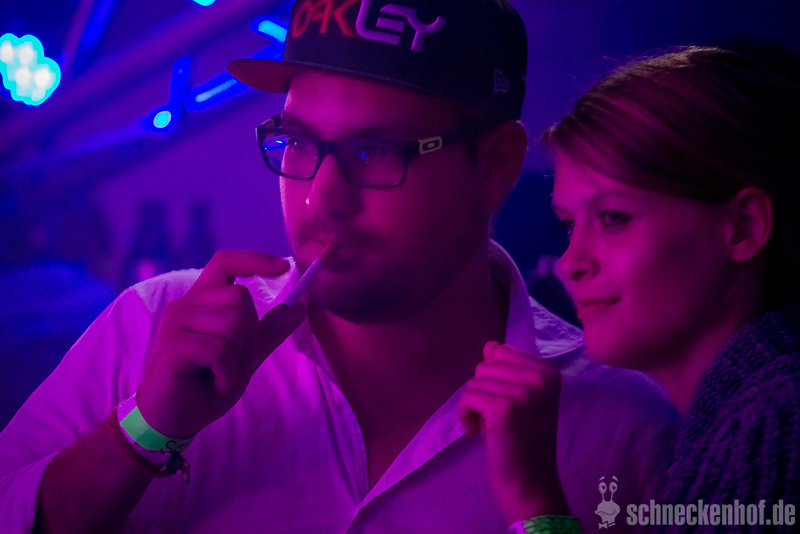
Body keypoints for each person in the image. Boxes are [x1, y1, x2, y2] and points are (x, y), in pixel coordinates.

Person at [0, 1, 680, 533]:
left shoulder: (621, 423)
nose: (319, 198)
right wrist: (144, 432)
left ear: (496, 166)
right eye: (297, 143)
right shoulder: (156, 326)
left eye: (376, 152)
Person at [545, 46, 800, 528]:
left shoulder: (776, 422)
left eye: (613, 217)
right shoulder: (741, 418)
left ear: (743, 227)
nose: (570, 263)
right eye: (568, 226)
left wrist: (534, 506)